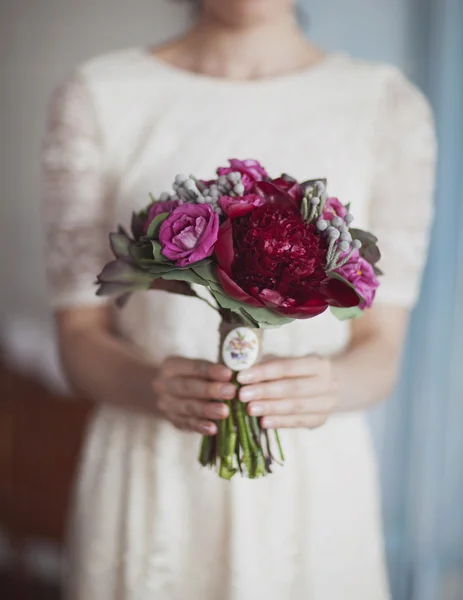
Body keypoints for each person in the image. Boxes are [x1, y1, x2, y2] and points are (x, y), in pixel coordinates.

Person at [43, 0, 436, 598]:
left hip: (309, 482)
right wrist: (152, 386)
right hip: (151, 475)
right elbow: (77, 338)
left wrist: (328, 386)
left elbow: (381, 349)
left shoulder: (388, 105)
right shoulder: (99, 93)